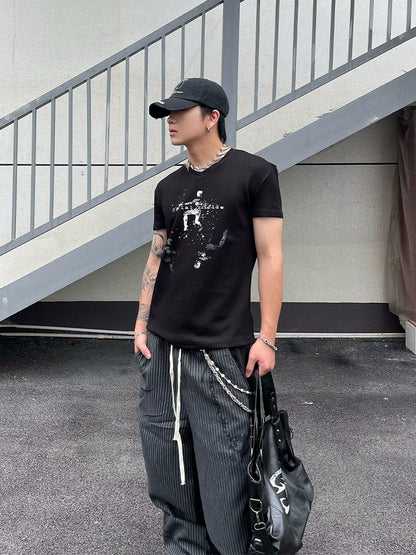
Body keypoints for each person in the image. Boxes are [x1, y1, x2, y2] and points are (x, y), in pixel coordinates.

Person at [133, 77, 283, 554]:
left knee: (224, 470)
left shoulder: (255, 174)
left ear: (213, 117)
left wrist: (267, 337)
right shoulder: (168, 186)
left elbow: (271, 256)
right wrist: (141, 323)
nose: (171, 121)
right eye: (167, 114)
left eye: (180, 112)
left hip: (220, 351)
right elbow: (158, 254)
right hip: (162, 348)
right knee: (168, 462)